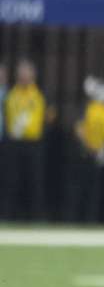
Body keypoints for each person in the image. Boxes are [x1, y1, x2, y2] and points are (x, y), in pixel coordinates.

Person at [63, 77, 104, 222]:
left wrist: (98, 147)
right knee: (88, 192)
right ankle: (86, 219)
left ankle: (77, 219)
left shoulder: (91, 109)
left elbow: (78, 130)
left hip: (87, 154)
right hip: (93, 155)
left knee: (82, 191)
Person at [2, 59, 47, 220]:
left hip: (33, 143)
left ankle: (36, 217)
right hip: (14, 142)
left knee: (34, 181)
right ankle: (6, 215)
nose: (24, 75)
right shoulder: (12, 95)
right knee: (10, 180)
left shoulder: (38, 95)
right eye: (21, 72)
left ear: (33, 75)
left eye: (27, 72)